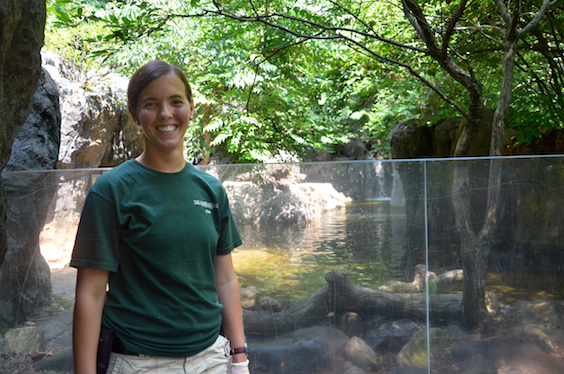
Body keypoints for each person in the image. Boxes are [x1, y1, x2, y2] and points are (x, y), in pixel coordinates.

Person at [70, 60, 249, 374]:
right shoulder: (111, 191)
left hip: (212, 359)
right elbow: (90, 293)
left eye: (176, 102)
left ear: (191, 109)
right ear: (135, 113)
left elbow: (225, 277)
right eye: (151, 104)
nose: (166, 114)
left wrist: (240, 356)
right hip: (138, 363)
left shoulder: (211, 189)